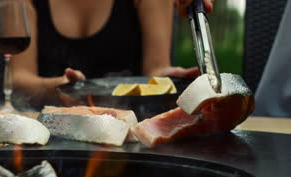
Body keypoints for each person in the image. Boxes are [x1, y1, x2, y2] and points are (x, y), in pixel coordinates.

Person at [11, 0, 207, 110]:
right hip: (51, 130)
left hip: (130, 133)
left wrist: (167, 79)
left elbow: (155, 70)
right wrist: (58, 88)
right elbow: (19, 78)